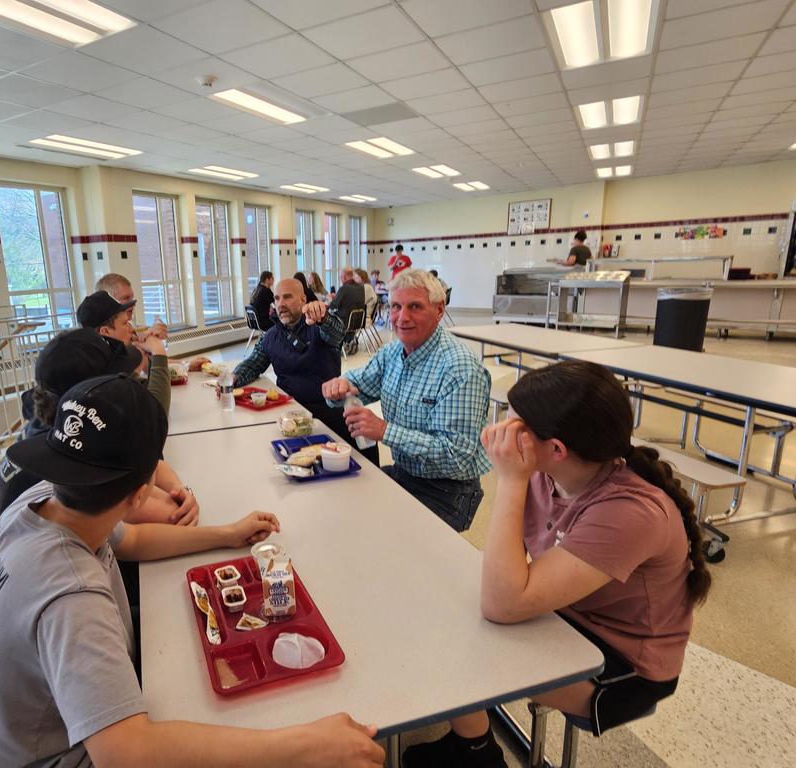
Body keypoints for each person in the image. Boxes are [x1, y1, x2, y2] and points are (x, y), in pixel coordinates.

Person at [0, 374, 384, 768]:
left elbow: (135, 541)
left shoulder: (47, 497)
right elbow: (128, 754)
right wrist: (305, 745)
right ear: (143, 492)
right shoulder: (71, 594)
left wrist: (227, 534)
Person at [402, 360, 711, 768]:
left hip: (623, 668)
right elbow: (509, 573)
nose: (499, 433)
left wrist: (510, 479)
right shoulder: (546, 472)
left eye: (512, 427)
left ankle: (477, 755)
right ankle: (472, 742)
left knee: (450, 648)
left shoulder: (631, 512)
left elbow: (503, 603)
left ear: (557, 449)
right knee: (438, 610)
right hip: (568, 615)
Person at [0, 327, 199, 546]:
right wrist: (180, 497)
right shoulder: (74, 457)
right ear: (88, 393)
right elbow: (171, 514)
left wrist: (179, 490)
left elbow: (147, 465)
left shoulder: (57, 432)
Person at [322, 269, 491, 532]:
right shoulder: (393, 352)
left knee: (377, 534)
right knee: (341, 504)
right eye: (396, 306)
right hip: (406, 473)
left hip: (448, 492)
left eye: (415, 307)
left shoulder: (460, 369)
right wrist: (338, 387)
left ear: (439, 309)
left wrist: (385, 431)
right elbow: (358, 383)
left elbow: (456, 456)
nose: (402, 317)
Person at [233, 279, 379, 463]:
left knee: (365, 456)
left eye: (287, 297)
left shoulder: (319, 326)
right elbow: (254, 363)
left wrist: (324, 317)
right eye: (277, 299)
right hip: (290, 412)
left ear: (303, 300)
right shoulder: (270, 336)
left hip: (329, 410)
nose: (281, 304)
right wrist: (233, 377)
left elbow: (337, 333)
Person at [77, 290, 171, 413]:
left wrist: (148, 352)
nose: (130, 330)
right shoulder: (103, 367)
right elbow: (157, 411)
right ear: (105, 332)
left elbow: (143, 388)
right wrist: (158, 350)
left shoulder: (108, 356)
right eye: (125, 323)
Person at [95, 272, 210, 372]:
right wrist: (149, 342)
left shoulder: (129, 328)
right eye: (126, 298)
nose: (133, 303)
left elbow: (149, 364)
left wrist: (187, 364)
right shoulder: (102, 343)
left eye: (132, 298)